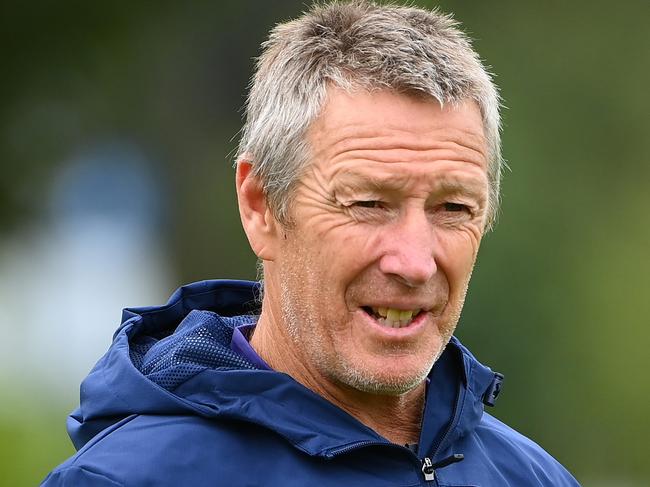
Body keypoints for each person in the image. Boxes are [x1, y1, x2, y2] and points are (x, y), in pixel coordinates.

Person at [42, 1, 580, 485]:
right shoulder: (124, 480)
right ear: (261, 207)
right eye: (368, 204)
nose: (415, 262)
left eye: (454, 208)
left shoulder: (533, 477)